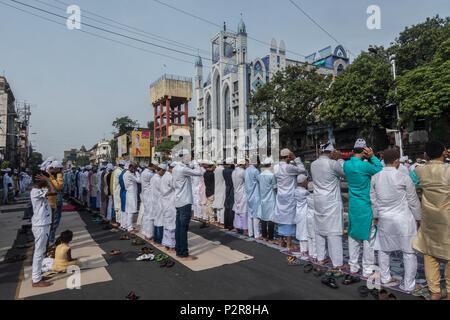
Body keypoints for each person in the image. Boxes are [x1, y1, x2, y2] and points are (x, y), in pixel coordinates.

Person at [370, 148, 422, 292]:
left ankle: (385, 278)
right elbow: (413, 201)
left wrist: (375, 216)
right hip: (403, 219)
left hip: (384, 219)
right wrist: (419, 218)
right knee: (408, 252)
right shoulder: (403, 177)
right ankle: (409, 284)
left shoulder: (375, 177)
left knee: (384, 249)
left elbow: (373, 200)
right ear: (397, 161)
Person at [412, 141, 449, 300]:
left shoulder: (420, 170)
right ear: (444, 153)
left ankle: (434, 291)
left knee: (430, 253)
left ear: (426, 155)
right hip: (447, 217)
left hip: (429, 218)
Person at [343, 139, 383, 278]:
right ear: (365, 150)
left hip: (354, 206)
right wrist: (372, 156)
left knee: (353, 237)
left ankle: (353, 267)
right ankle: (367, 270)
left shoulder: (346, 165)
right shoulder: (365, 166)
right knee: (368, 240)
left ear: (353, 150)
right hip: (366, 206)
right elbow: (380, 169)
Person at [310, 141, 347, 269]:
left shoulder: (313, 164)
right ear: (331, 152)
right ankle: (337, 263)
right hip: (331, 201)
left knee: (320, 229)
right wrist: (340, 159)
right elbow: (344, 172)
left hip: (319, 200)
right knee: (333, 232)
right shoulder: (333, 163)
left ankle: (321, 257)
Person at [272, 149, 307, 250]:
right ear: (288, 157)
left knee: (281, 218)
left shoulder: (276, 167)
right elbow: (302, 169)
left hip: (280, 195)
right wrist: (295, 158)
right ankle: (288, 244)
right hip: (289, 196)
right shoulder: (289, 167)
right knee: (289, 220)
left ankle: (281, 241)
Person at [172, 150, 203, 261]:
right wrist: (195, 162)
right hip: (185, 202)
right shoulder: (183, 169)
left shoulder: (176, 168)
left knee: (179, 228)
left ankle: (178, 250)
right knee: (183, 228)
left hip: (178, 201)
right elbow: (200, 172)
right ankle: (183, 254)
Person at [31, 170, 56, 287]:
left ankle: (38, 274)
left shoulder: (40, 190)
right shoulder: (36, 191)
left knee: (41, 251)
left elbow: (54, 189)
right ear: (39, 180)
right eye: (44, 179)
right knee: (39, 252)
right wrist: (47, 180)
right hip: (40, 225)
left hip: (43, 224)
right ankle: (36, 280)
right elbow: (53, 191)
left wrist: (47, 180)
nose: (47, 182)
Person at [259, 158, 277, 243]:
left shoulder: (260, 174)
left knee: (263, 217)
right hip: (270, 198)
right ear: (271, 165)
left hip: (263, 198)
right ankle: (270, 238)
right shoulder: (271, 175)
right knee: (271, 218)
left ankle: (264, 236)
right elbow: (275, 187)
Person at [245, 158, 262, 239]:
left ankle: (250, 233)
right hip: (255, 194)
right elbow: (260, 181)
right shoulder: (255, 171)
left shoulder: (246, 170)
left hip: (248, 194)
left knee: (250, 214)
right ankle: (257, 234)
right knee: (256, 215)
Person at [161, 162, 177, 252]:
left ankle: (166, 244)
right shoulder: (170, 177)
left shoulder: (164, 176)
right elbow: (176, 187)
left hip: (165, 202)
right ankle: (171, 246)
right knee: (171, 225)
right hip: (170, 203)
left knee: (167, 224)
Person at [48, 161, 64, 245]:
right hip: (54, 201)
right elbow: (59, 186)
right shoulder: (50, 176)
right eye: (60, 170)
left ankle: (50, 239)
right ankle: (50, 241)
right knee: (54, 221)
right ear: (55, 168)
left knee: (54, 221)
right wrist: (59, 175)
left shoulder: (51, 175)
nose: (61, 171)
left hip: (53, 201)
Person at [141, 162, 157, 240]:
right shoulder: (150, 174)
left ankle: (146, 233)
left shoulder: (145, 172)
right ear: (153, 166)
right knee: (151, 215)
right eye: (156, 167)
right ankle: (149, 235)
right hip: (149, 195)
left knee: (147, 214)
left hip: (146, 194)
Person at [232, 159, 248, 235]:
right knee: (244, 211)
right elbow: (247, 182)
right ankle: (245, 229)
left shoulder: (234, 171)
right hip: (242, 193)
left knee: (237, 210)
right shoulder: (243, 172)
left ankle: (236, 227)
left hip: (236, 192)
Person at [295, 174, 310, 255]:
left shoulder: (295, 190)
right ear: (304, 181)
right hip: (304, 212)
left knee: (300, 229)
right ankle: (306, 249)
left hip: (298, 212)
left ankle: (302, 248)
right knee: (305, 230)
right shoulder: (305, 192)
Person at [123, 163, 141, 233]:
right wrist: (136, 172)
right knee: (131, 211)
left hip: (129, 193)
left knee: (128, 211)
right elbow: (139, 180)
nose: (134, 170)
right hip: (131, 194)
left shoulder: (125, 174)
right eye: (133, 168)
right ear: (130, 168)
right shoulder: (129, 174)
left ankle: (128, 226)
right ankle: (130, 228)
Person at [151, 164, 166, 246]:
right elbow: (163, 190)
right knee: (160, 222)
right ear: (161, 170)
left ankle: (156, 239)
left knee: (156, 221)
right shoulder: (158, 179)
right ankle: (159, 241)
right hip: (159, 202)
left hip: (154, 201)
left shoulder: (153, 177)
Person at [213, 160, 226, 227]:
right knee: (222, 206)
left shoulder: (215, 170)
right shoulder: (223, 170)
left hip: (216, 188)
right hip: (222, 188)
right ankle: (222, 222)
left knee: (217, 206)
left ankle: (218, 221)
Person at [223, 158, 235, 231]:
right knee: (231, 207)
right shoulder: (232, 171)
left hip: (227, 188)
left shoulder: (224, 170)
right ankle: (230, 225)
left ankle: (226, 224)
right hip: (231, 188)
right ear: (230, 164)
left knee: (226, 207)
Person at [112, 161, 125, 227]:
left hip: (116, 190)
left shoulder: (116, 170)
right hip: (118, 190)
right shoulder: (119, 171)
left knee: (117, 206)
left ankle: (118, 220)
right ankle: (119, 221)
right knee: (119, 206)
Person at [204, 162, 216, 226]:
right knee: (210, 206)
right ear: (212, 167)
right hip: (211, 191)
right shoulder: (212, 174)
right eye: (214, 167)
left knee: (207, 205)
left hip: (207, 190)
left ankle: (207, 218)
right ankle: (211, 219)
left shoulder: (205, 173)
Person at [118, 164, 127, 231]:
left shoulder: (122, 174)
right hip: (124, 192)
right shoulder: (123, 175)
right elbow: (124, 185)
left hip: (123, 192)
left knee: (123, 209)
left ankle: (123, 224)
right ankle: (124, 225)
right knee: (125, 209)